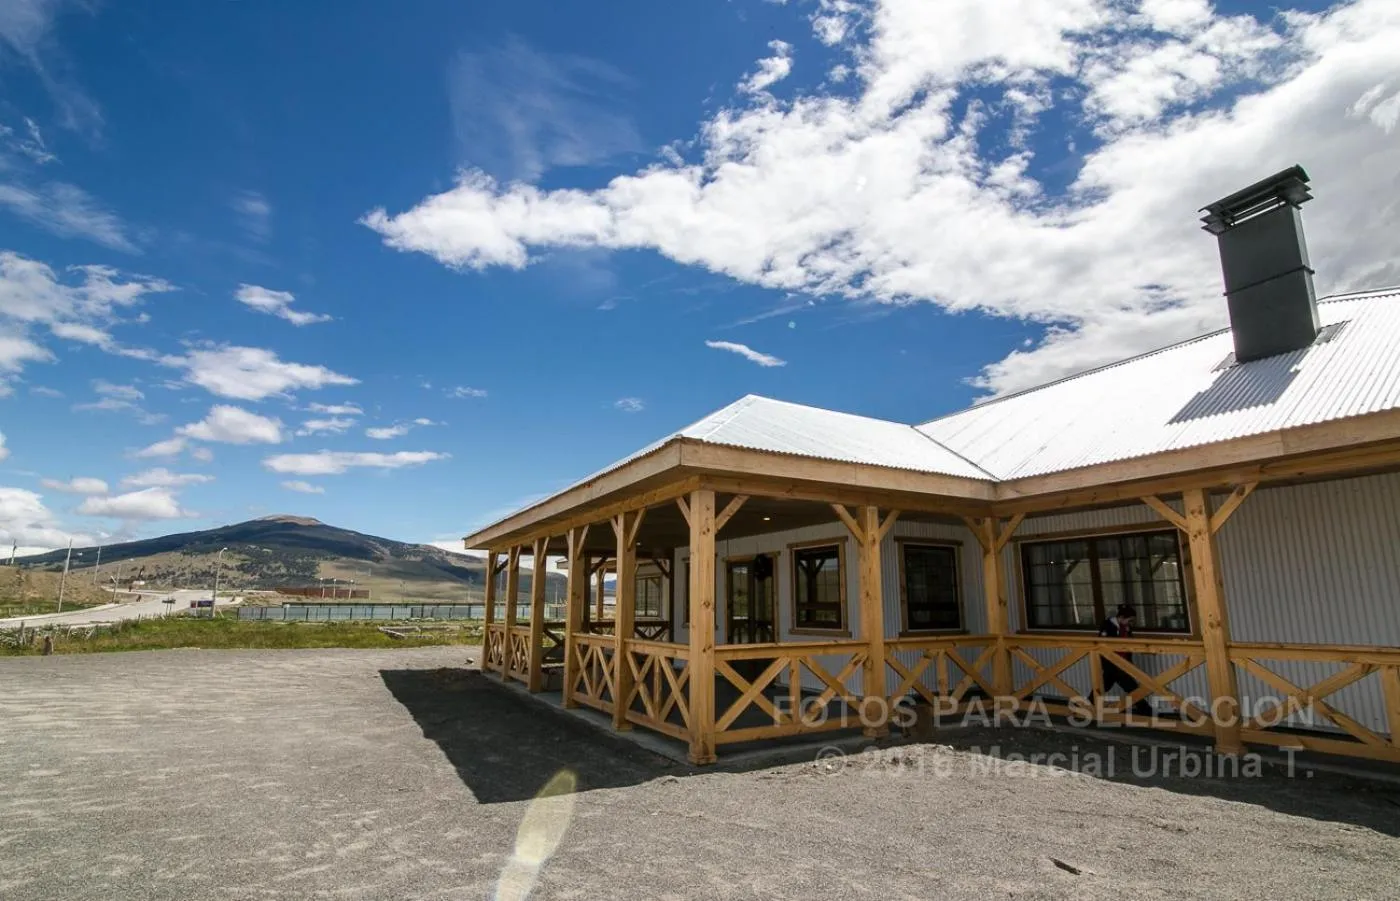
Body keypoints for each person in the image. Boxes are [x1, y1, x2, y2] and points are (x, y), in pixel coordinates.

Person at [1097, 604, 1153, 716]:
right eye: (1130, 620)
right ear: (1121, 618)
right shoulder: (1107, 625)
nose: (1131, 623)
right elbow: (1103, 644)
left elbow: (1130, 642)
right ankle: (1147, 711)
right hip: (1112, 663)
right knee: (1131, 687)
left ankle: (1085, 706)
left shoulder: (1126, 627)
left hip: (1123, 662)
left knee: (1104, 686)